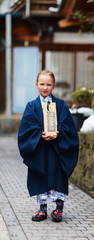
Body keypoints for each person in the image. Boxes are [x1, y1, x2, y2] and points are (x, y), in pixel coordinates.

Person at [18, 70, 79, 222]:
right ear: (36, 84)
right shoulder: (31, 106)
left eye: (48, 84)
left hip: (57, 149)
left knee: (58, 177)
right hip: (39, 150)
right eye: (42, 84)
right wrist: (39, 134)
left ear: (53, 86)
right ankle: (42, 209)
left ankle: (59, 210)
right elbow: (27, 128)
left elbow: (68, 127)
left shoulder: (60, 105)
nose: (45, 88)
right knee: (41, 177)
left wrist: (58, 133)